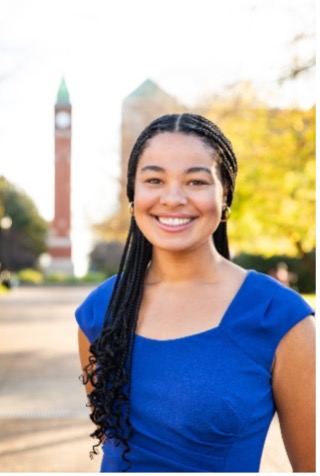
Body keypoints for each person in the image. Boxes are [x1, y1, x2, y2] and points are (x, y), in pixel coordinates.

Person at [75, 113, 315, 472]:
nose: (172, 198)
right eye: (154, 179)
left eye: (196, 181)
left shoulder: (279, 316)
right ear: (133, 194)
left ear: (225, 195)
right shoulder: (101, 309)